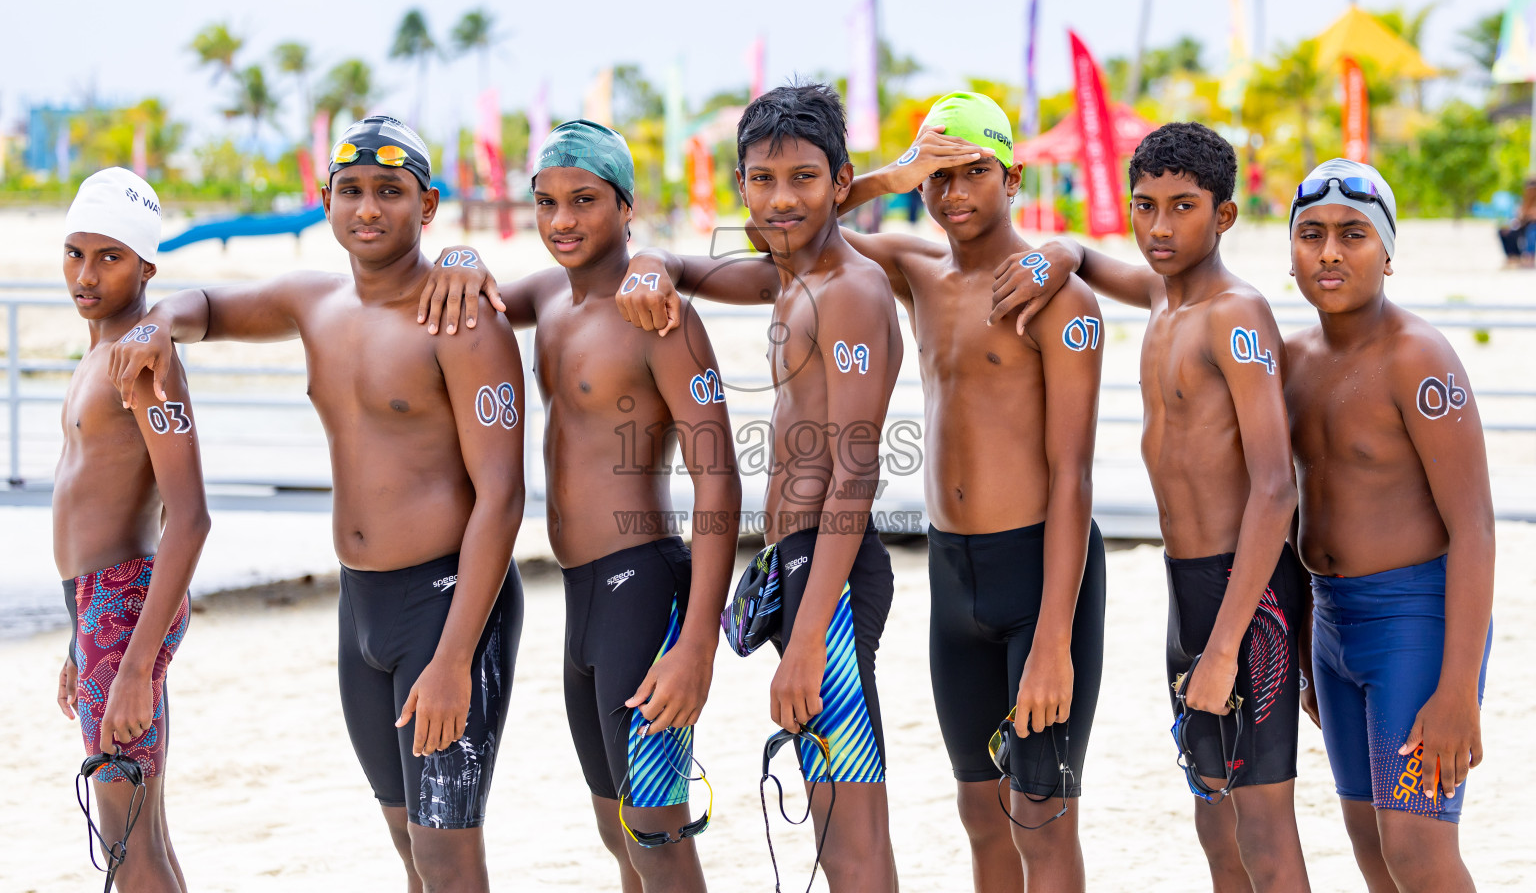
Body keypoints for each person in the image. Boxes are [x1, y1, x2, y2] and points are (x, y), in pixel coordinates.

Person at [611, 92, 1106, 893]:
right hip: (926, 571)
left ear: (1011, 177)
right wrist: (650, 263)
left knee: (999, 822)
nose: (954, 193)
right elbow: (723, 253)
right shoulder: (880, 267)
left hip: (883, 576)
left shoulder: (864, 285)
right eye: (939, 178)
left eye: (974, 173)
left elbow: (859, 470)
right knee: (981, 815)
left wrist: (1067, 248)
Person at [110, 116, 525, 893]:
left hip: (447, 606)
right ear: (325, 200)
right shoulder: (314, 302)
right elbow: (207, 305)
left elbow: (502, 499)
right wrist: (157, 322)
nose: (368, 209)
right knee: (406, 838)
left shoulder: (461, 321)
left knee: (447, 851)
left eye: (390, 193)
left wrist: (454, 658)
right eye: (352, 191)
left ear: (428, 206)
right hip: (360, 603)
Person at [413, 119, 741, 893]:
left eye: (585, 200)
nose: (562, 220)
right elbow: (475, 286)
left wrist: (698, 641)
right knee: (614, 825)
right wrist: (458, 253)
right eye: (547, 202)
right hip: (582, 595)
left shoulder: (660, 319)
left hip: (644, 585)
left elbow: (719, 480)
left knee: (657, 833)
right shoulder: (551, 301)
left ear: (627, 207)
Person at [991, 122, 1310, 892]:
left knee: (1264, 828)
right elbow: (1095, 260)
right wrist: (1060, 253)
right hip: (1186, 583)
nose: (1160, 228)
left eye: (1183, 207)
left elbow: (1276, 485)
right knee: (1213, 810)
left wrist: (1228, 646)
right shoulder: (1167, 296)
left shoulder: (1236, 314)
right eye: (1144, 206)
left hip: (1248, 594)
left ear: (1224, 215)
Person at [1285, 159, 1494, 893]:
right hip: (1335, 628)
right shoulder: (1292, 361)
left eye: (1353, 234)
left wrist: (1458, 690)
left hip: (1416, 619)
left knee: (1418, 851)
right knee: (1372, 847)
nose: (1330, 252)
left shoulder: (1418, 359)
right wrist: (1311, 648)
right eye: (1311, 234)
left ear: (1389, 252)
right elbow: (1296, 512)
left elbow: (1475, 529)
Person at [56, 167, 210, 892]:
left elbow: (191, 514)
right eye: (75, 252)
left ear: (147, 265)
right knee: (142, 837)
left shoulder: (143, 363)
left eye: (109, 256)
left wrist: (133, 666)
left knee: (128, 846)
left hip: (124, 607)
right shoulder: (105, 350)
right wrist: (76, 638)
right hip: (101, 608)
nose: (86, 274)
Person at [1495, 178, 1536, 268]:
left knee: (1532, 232)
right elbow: (1518, 216)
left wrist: (1528, 214)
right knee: (1504, 230)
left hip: (1532, 226)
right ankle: (1513, 256)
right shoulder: (1523, 201)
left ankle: (1530, 257)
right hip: (1523, 224)